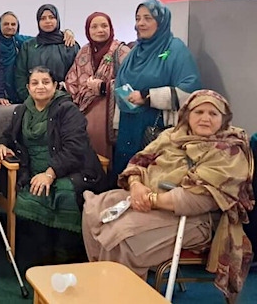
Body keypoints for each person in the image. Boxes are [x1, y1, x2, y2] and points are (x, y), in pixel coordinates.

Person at [82, 90, 254, 302]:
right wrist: (135, 186)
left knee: (121, 236)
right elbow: (139, 161)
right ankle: (105, 284)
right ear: (187, 114)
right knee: (94, 208)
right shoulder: (171, 136)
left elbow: (200, 199)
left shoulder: (230, 151)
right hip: (147, 197)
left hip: (195, 219)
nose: (205, 118)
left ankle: (124, 296)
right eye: (199, 111)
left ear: (224, 119)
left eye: (213, 113)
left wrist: (151, 199)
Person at [0, 67, 107, 267]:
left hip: (72, 169)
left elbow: (76, 148)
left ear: (55, 86)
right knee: (32, 194)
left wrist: (50, 173)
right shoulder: (21, 110)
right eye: (35, 83)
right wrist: (2, 144)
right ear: (28, 88)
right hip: (33, 171)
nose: (40, 87)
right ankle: (40, 260)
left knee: (64, 193)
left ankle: (66, 258)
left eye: (46, 82)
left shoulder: (67, 109)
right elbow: (8, 135)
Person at [112, 0, 202, 175]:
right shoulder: (135, 52)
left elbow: (190, 91)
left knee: (151, 178)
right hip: (128, 126)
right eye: (138, 18)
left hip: (158, 129)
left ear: (161, 21)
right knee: (126, 177)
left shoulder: (176, 49)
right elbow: (121, 83)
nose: (141, 23)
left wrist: (148, 96)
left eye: (148, 18)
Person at [65, 12, 131, 162]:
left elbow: (131, 86)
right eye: (94, 27)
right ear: (87, 30)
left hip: (111, 115)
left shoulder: (122, 52)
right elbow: (72, 78)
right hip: (81, 112)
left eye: (104, 26)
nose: (99, 30)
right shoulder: (84, 51)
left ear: (111, 28)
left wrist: (104, 87)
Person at [15, 4, 79, 102]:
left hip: (65, 102)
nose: (47, 21)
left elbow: (78, 75)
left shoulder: (70, 45)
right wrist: (29, 99)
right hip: (34, 102)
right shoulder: (28, 46)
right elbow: (20, 75)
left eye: (51, 17)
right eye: (43, 18)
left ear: (57, 20)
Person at [0, 11, 32, 104]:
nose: (10, 27)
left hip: (17, 92)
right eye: (6, 24)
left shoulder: (20, 41)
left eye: (13, 24)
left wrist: (65, 33)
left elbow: (42, 39)